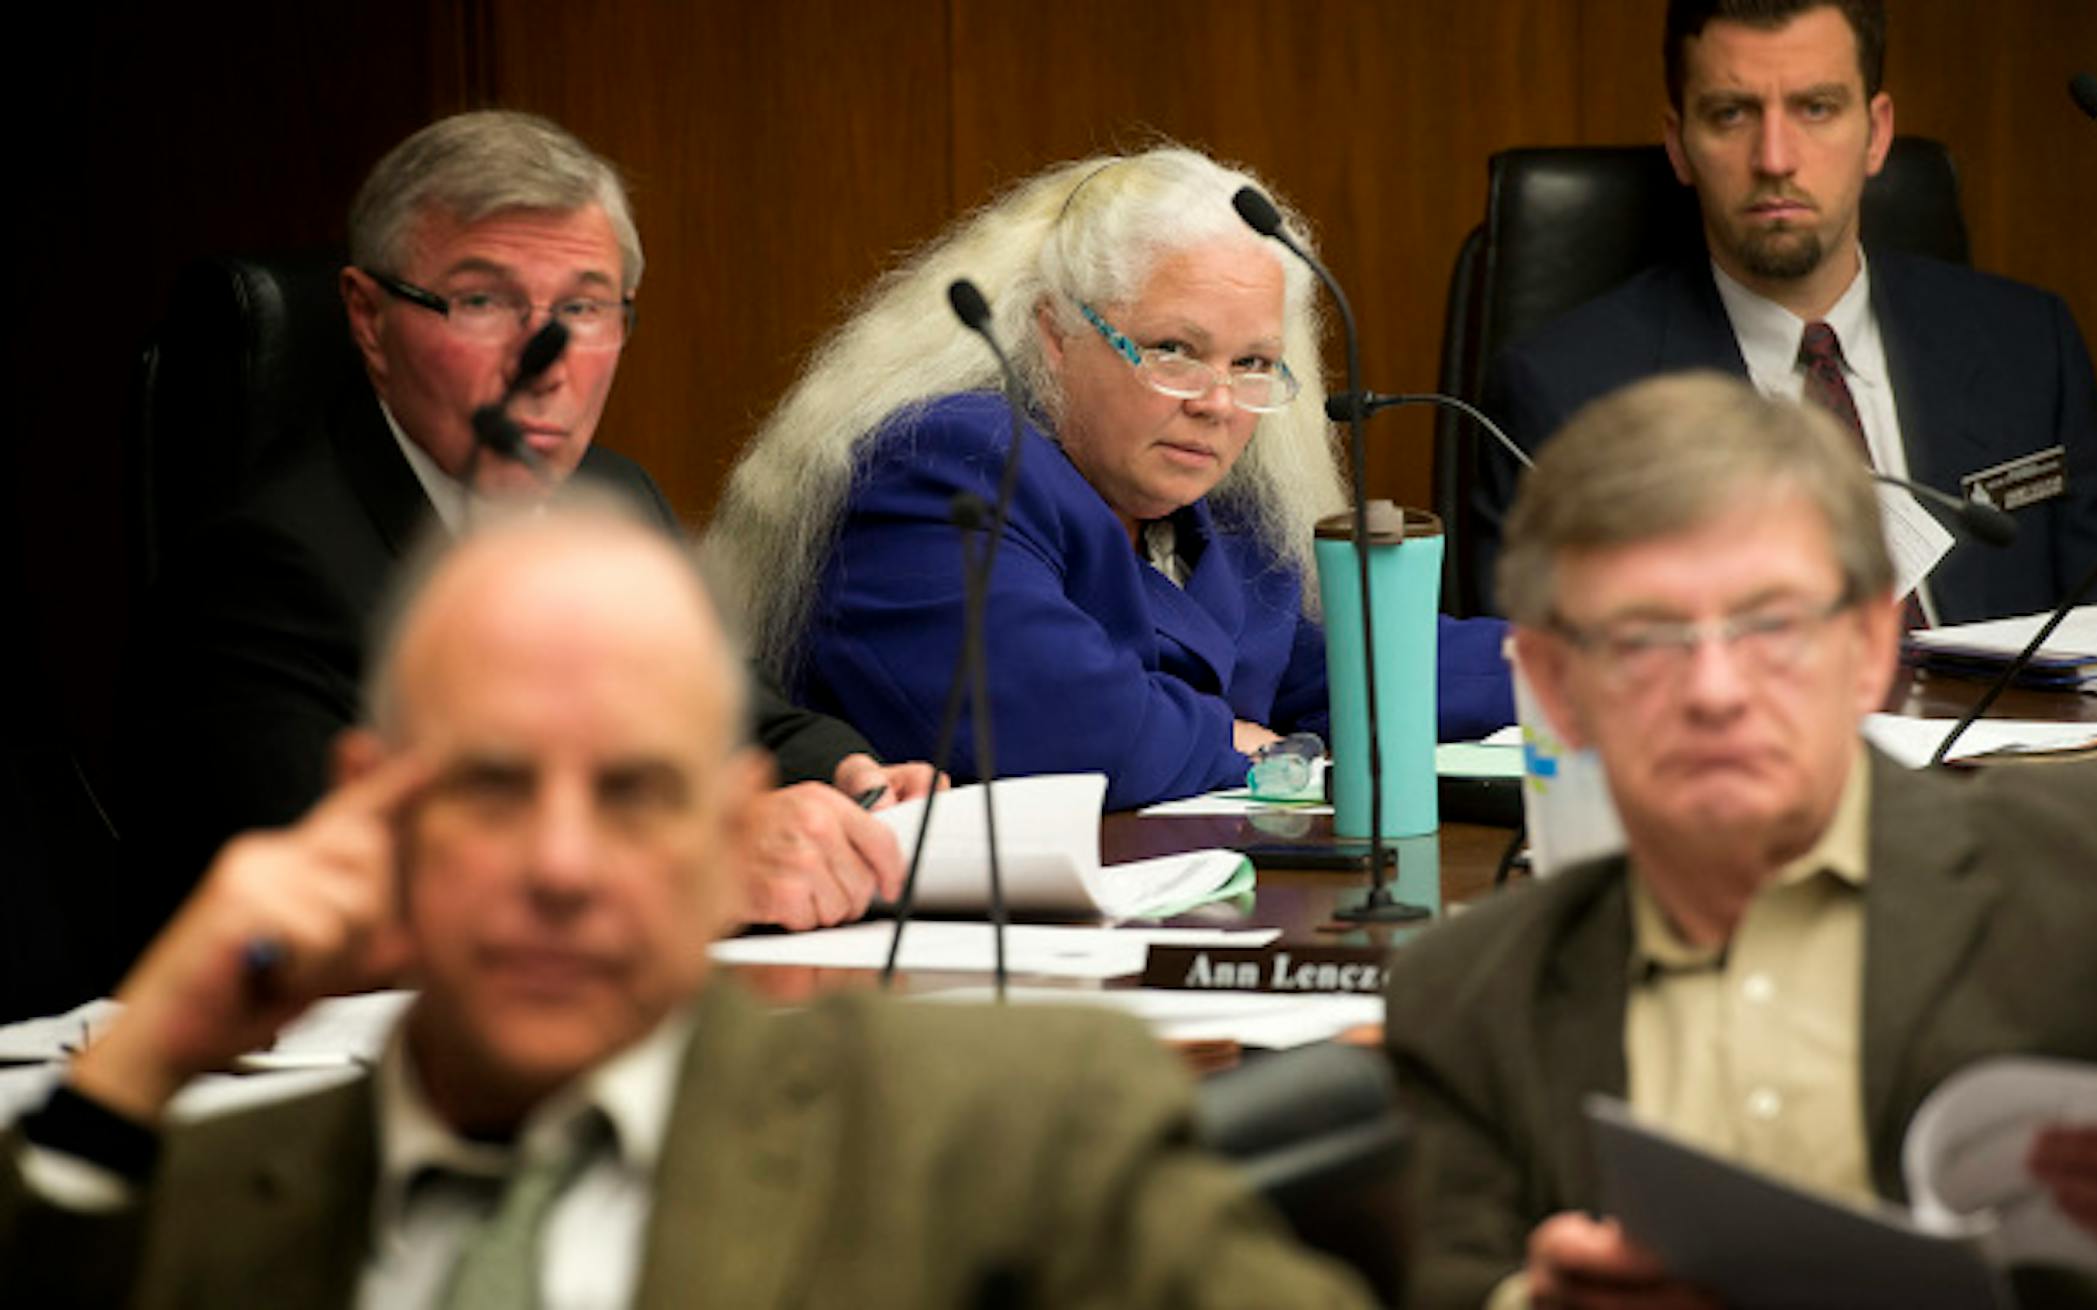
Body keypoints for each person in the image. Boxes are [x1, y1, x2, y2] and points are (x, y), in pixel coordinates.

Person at [3, 502, 1371, 1308]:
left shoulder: (1010, 1136)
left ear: (728, 825)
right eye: (490, 784)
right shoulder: (204, 1207)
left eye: (632, 792)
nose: (561, 862)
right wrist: (150, 1044)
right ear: (373, 804)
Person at [1387, 372, 2097, 1310]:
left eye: (1772, 625)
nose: (1716, 690)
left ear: (1873, 647)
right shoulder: (1468, 999)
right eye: (1646, 638)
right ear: (1555, 687)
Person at [116, 111, 931, 965]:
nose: (544, 363)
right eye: (482, 303)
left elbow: (750, 723)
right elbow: (322, 905)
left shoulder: (613, 498)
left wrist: (853, 780)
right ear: (366, 317)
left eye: (581, 308)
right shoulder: (264, 568)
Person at [712, 146, 1514, 812]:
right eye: (1173, 349)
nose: (1218, 403)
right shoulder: (948, 461)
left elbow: (1346, 668)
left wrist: (1574, 667)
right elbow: (1070, 729)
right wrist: (1250, 749)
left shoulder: (1208, 509)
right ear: (1055, 335)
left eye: (1254, 364)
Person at [1471, 0, 2097, 623]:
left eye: (1816, 108)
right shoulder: (1563, 399)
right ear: (1679, 143)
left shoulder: (2029, 347)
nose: (1775, 158)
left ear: (1877, 132)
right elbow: (1547, 690)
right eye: (1731, 114)